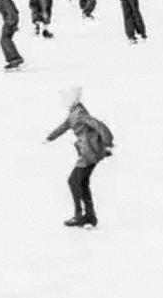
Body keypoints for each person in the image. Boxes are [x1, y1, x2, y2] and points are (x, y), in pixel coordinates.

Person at [44, 86, 114, 228]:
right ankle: (89, 215)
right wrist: (50, 138)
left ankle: (80, 215)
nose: (64, 101)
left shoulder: (79, 113)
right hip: (87, 152)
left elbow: (98, 125)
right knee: (81, 183)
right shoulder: (73, 114)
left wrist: (107, 142)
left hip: (89, 153)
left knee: (74, 181)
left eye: (66, 99)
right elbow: (64, 126)